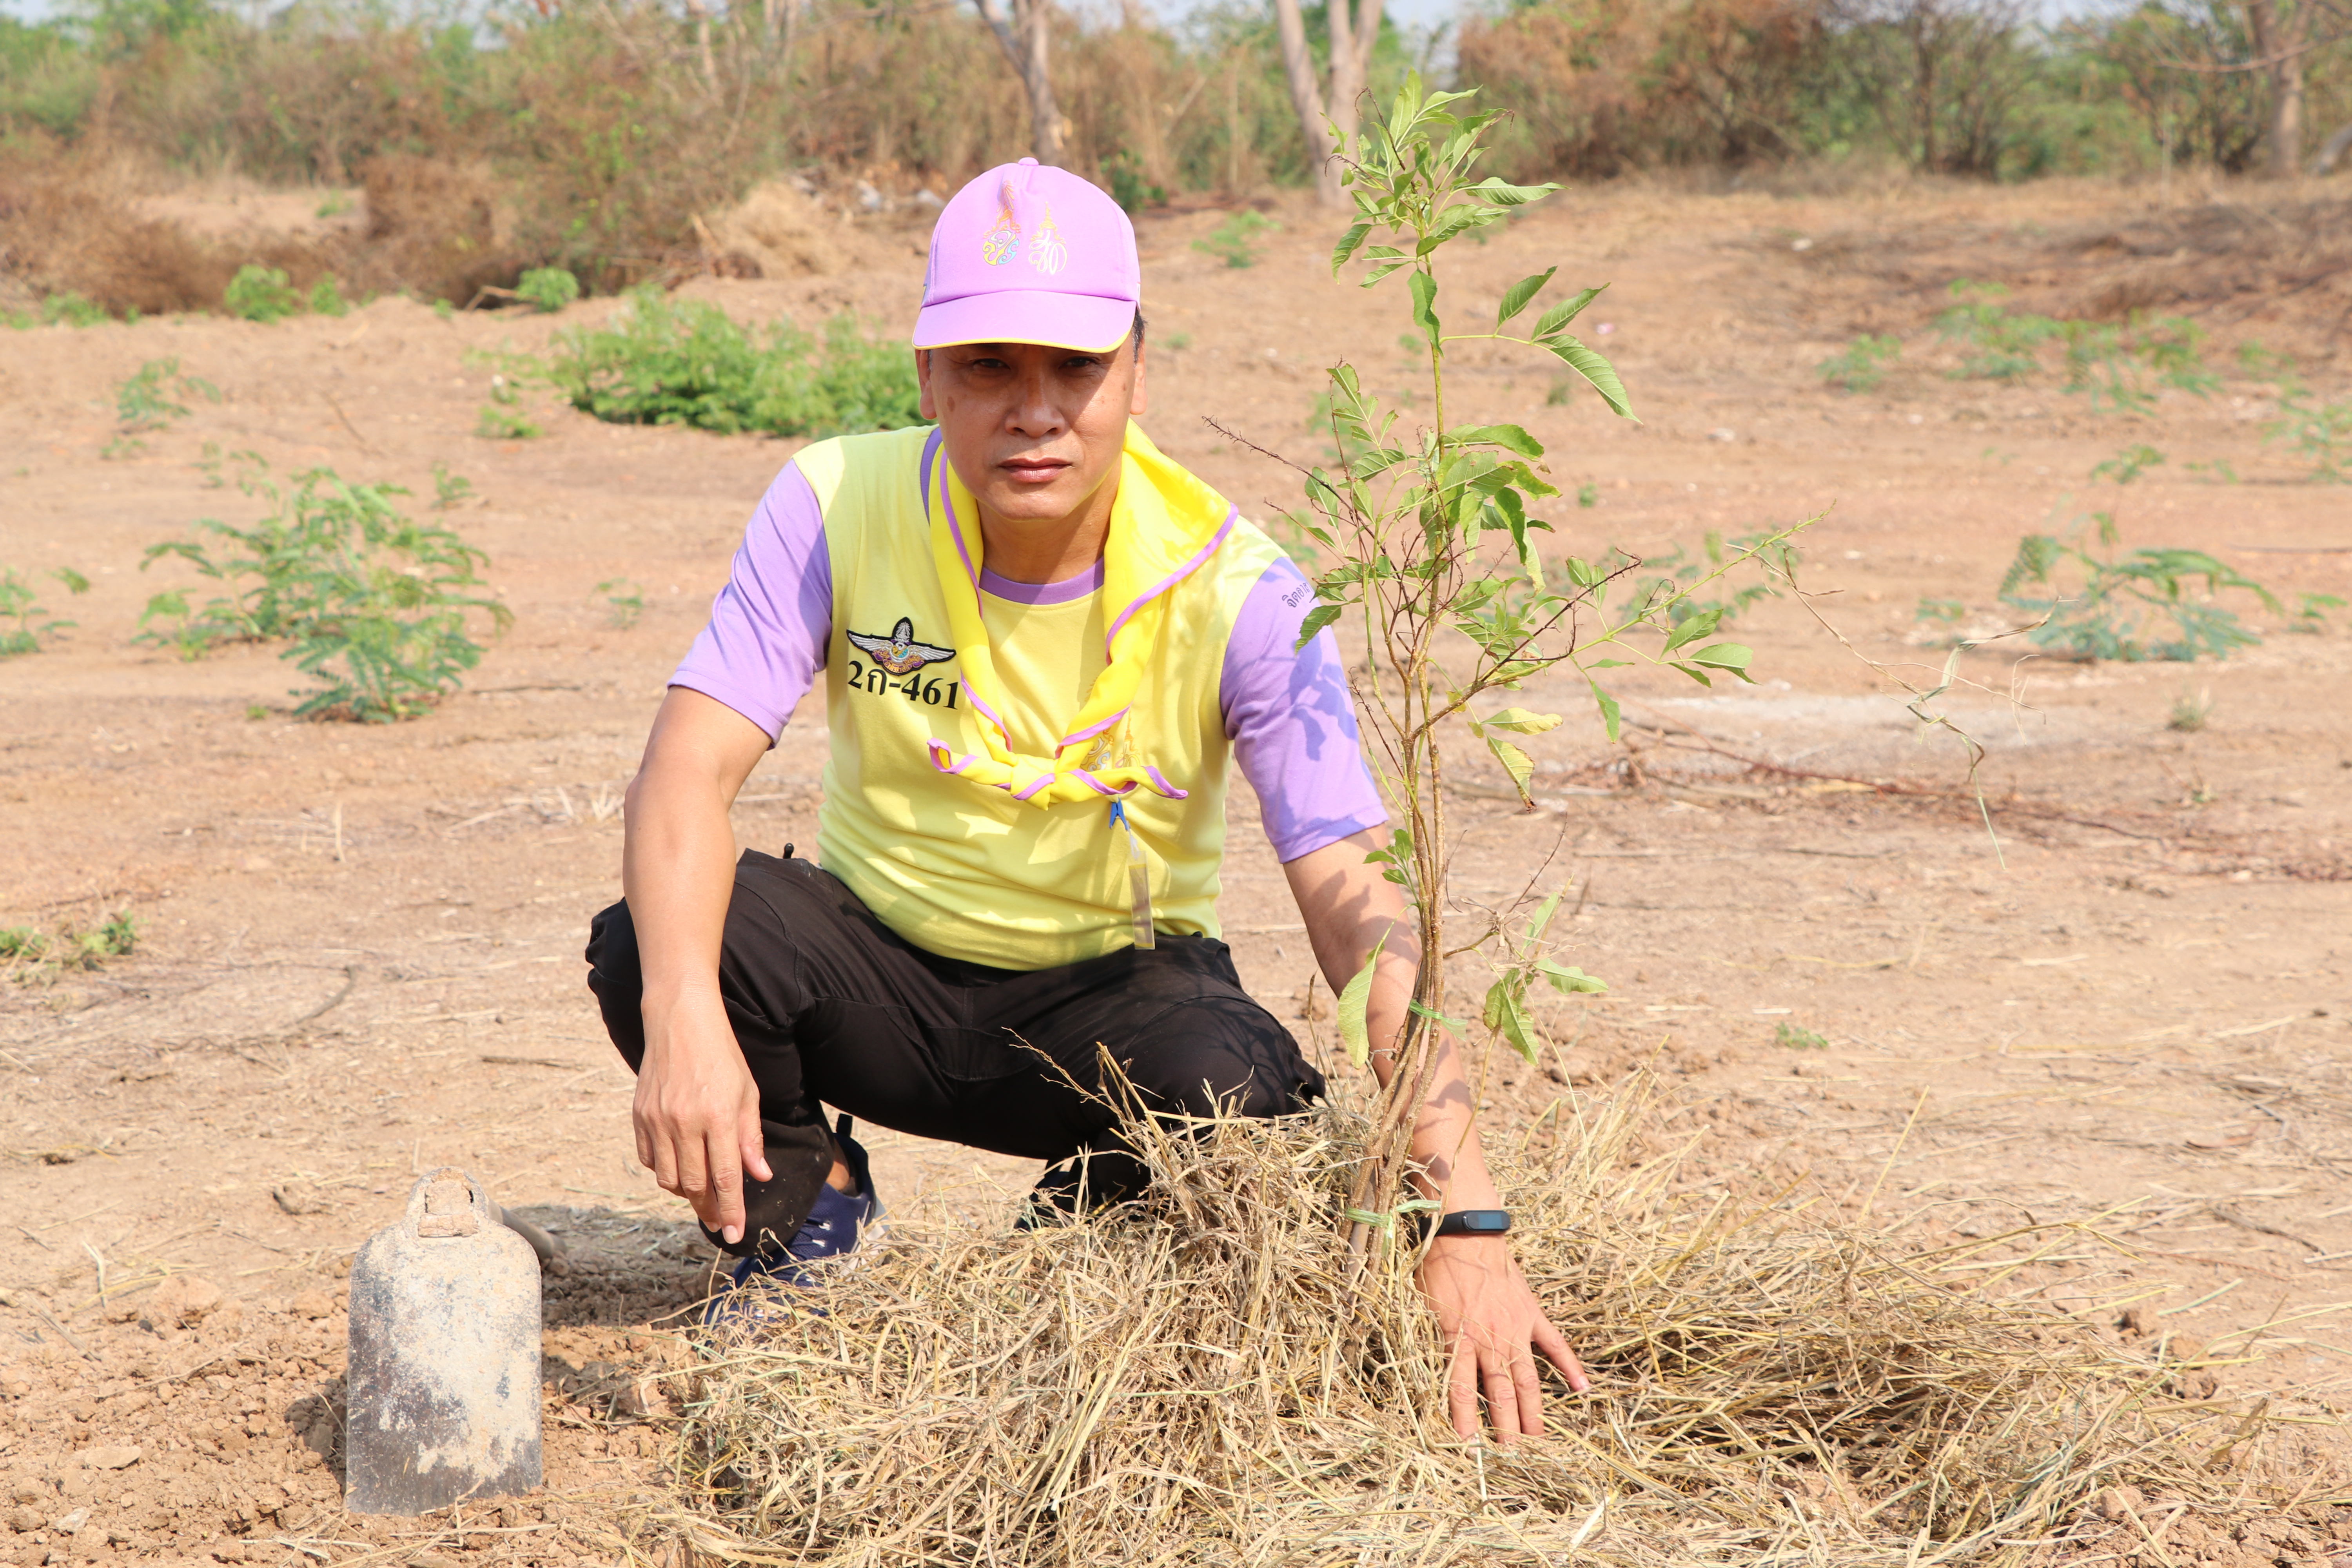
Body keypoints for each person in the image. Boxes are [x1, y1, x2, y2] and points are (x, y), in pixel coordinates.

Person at [585, 157, 1589, 1443]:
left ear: (1137, 372)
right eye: (991, 367)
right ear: (929, 378)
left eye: (1076, 369)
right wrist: (678, 1015)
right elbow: (684, 774)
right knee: (654, 942)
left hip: (1107, 1008)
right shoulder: (834, 502)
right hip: (878, 979)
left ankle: (1068, 1255)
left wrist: (1467, 1218)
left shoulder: (1247, 591)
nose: (1035, 412)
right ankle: (809, 1215)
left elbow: (1354, 906)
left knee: (1242, 1089)